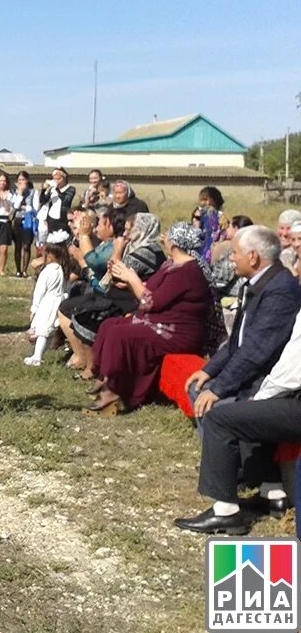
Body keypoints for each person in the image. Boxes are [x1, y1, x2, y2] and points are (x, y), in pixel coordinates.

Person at [174, 306, 301, 535]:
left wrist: (260, 398)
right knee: (253, 411)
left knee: (221, 418)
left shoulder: (280, 291)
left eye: (298, 266)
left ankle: (225, 512)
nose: (296, 268)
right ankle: (272, 494)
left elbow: (291, 371)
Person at [84, 223, 219, 415]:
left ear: (173, 243)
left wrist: (133, 279)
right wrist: (128, 282)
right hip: (160, 321)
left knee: (120, 333)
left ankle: (114, 390)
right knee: (109, 325)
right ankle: (105, 377)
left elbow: (152, 301)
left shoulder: (187, 271)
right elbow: (153, 289)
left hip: (177, 332)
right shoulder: (172, 264)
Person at [184, 226, 301, 415]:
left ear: (252, 257)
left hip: (262, 381)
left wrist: (218, 389)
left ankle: (225, 442)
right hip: (250, 372)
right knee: (197, 386)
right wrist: (208, 370)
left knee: (216, 408)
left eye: (235, 253)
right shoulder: (260, 283)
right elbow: (238, 340)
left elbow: (256, 350)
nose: (231, 258)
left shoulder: (280, 290)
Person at [58, 213, 165, 374]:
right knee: (78, 308)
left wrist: (117, 249)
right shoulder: (138, 247)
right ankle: (89, 363)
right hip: (120, 296)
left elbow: (110, 273)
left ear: (142, 230)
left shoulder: (146, 251)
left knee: (86, 315)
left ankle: (92, 366)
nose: (126, 234)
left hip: (130, 302)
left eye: (130, 230)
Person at [25, 243, 69, 366]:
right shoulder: (62, 269)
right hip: (58, 301)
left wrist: (34, 308)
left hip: (47, 302)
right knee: (49, 330)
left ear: (49, 255)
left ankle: (37, 356)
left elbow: (40, 290)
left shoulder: (48, 270)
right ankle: (38, 354)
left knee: (42, 330)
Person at [11, 171, 39, 278]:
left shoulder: (33, 192)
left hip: (28, 220)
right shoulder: (15, 192)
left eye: (23, 180)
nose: (21, 182)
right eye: (19, 180)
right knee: (18, 245)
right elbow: (15, 206)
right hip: (18, 220)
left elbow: (35, 208)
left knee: (26, 245)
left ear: (27, 180)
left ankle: (25, 269)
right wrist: (20, 194)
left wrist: (25, 208)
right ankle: (18, 270)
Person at [191, 186, 226, 263]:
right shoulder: (200, 215)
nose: (202, 203)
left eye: (205, 199)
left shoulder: (220, 218)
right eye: (201, 200)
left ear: (213, 200)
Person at [43, 168, 76, 234]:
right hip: (51, 218)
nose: (56, 181)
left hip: (62, 219)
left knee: (62, 239)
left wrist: (57, 189)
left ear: (64, 178)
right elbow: (43, 200)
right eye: (54, 179)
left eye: (59, 179)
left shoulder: (70, 189)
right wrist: (44, 190)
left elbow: (65, 200)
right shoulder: (52, 189)